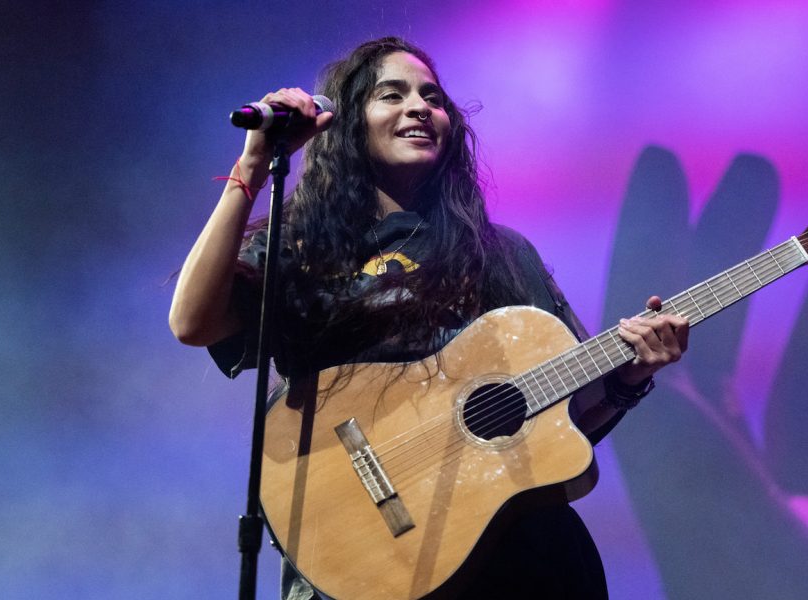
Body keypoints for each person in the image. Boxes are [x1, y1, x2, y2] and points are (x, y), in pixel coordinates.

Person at [170, 37, 689, 600]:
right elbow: (192, 322)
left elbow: (559, 431)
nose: (420, 107)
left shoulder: (501, 253)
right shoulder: (300, 247)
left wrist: (631, 375)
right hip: (362, 556)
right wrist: (252, 164)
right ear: (347, 126)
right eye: (392, 94)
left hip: (516, 564)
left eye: (433, 98)